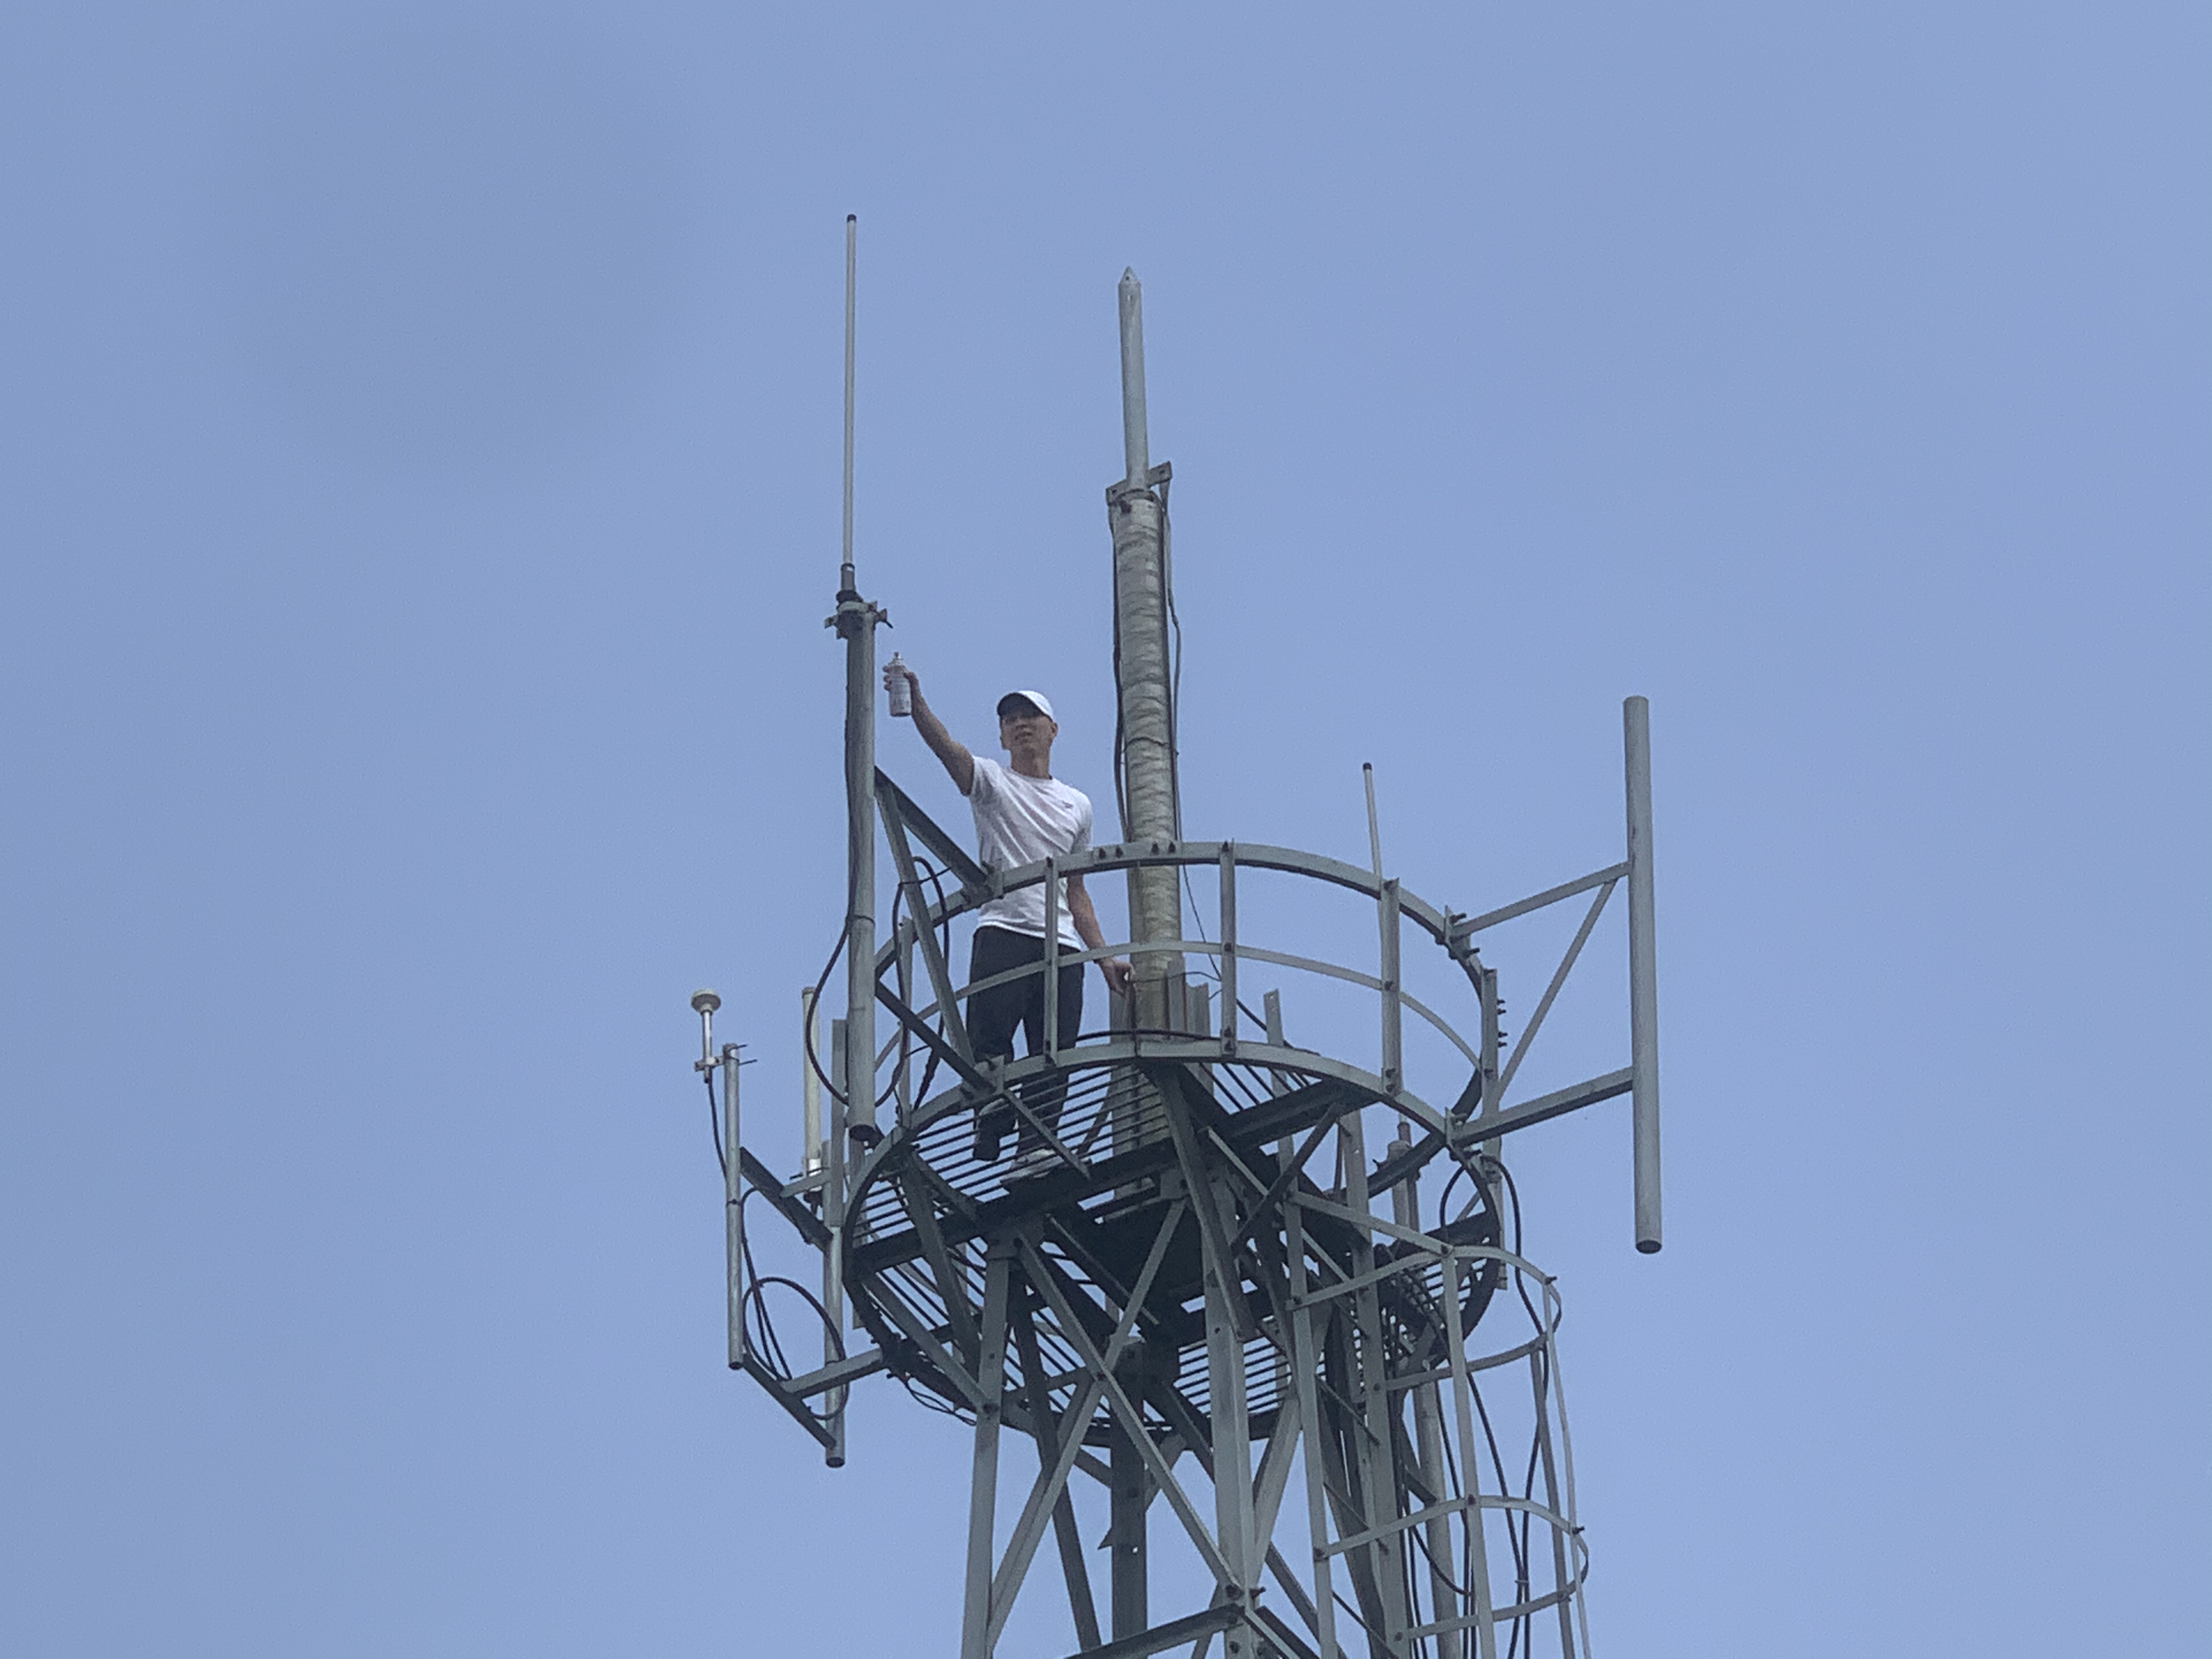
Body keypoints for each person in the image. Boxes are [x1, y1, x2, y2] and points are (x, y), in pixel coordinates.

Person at [884, 661, 1131, 1180]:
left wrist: (1106, 959)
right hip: (1004, 928)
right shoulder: (993, 782)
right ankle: (992, 1120)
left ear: (1051, 729)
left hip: (1061, 942)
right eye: (1011, 719)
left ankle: (1036, 1147)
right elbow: (949, 752)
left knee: (1054, 1051)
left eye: (1030, 716)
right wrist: (918, 707)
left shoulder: (1077, 805)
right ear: (1001, 735)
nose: (1020, 724)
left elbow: (1077, 890)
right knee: (990, 1039)